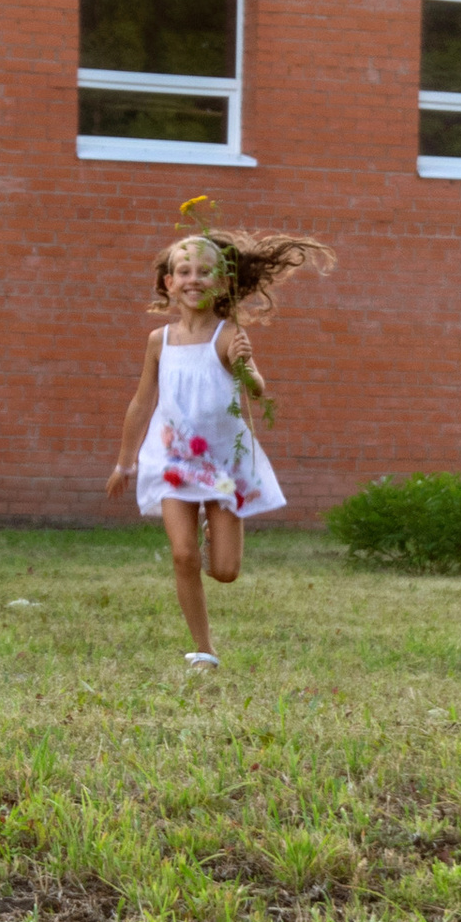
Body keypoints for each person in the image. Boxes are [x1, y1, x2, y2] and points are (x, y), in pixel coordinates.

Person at [107, 222, 334, 664]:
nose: (194, 279)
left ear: (223, 282)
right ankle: (203, 650)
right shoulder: (159, 340)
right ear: (169, 283)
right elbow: (141, 402)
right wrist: (125, 462)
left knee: (225, 572)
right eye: (184, 271)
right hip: (173, 458)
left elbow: (257, 392)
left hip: (225, 463)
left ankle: (217, 527)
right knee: (182, 555)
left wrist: (245, 365)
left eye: (204, 271)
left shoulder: (227, 335)